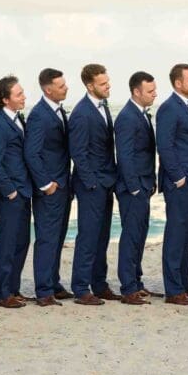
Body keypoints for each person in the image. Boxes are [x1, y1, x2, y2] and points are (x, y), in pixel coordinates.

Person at [68, 64, 120, 305]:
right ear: (90, 86)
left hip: (106, 181)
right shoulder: (81, 113)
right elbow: (78, 153)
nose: (108, 86)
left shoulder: (103, 106)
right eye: (103, 83)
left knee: (102, 236)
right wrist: (91, 183)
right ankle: (81, 288)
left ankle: (99, 284)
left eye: (108, 82)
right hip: (92, 185)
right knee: (88, 237)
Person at [156, 63, 188, 305]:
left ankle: (185, 284)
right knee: (176, 236)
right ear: (178, 83)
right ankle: (174, 290)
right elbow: (164, 145)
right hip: (180, 182)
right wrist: (178, 177)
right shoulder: (168, 108)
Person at [25, 68, 73, 306]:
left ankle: (53, 283)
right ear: (48, 89)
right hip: (50, 188)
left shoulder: (58, 110)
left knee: (58, 236)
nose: (66, 88)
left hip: (63, 184)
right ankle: (44, 291)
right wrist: (46, 184)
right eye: (61, 86)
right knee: (46, 238)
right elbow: (31, 153)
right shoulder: (39, 115)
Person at [0, 75, 32, 308]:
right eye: (19, 94)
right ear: (5, 99)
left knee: (22, 241)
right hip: (10, 193)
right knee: (8, 243)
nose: (24, 97)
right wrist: (10, 191)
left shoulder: (17, 118)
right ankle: (3, 294)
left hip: (24, 190)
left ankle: (13, 288)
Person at [114, 71, 159, 305]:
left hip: (144, 184)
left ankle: (137, 281)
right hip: (133, 188)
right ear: (136, 92)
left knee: (140, 234)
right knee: (131, 236)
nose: (154, 94)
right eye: (150, 91)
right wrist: (134, 188)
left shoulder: (141, 114)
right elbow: (125, 155)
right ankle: (128, 287)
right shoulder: (127, 117)